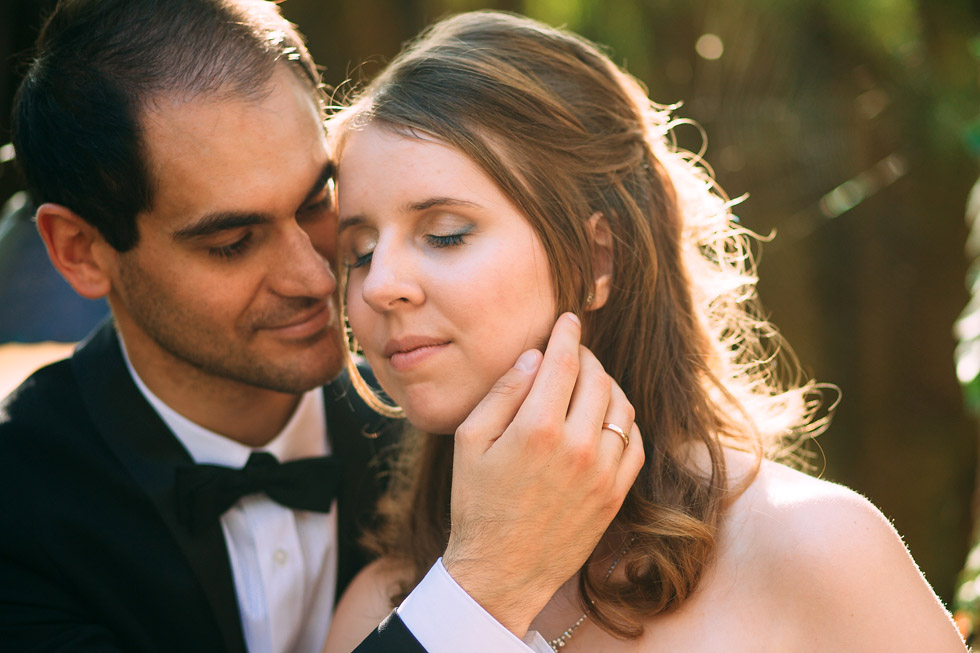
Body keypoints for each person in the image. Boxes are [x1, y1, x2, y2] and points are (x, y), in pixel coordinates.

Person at [0, 2, 641, 652]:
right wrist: (480, 587)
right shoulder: (18, 509)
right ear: (81, 249)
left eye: (318, 204)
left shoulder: (457, 432)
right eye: (233, 242)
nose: (314, 276)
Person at [323, 10, 967, 652]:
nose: (379, 286)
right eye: (359, 251)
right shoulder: (387, 608)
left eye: (445, 234)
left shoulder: (820, 552)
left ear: (598, 258)